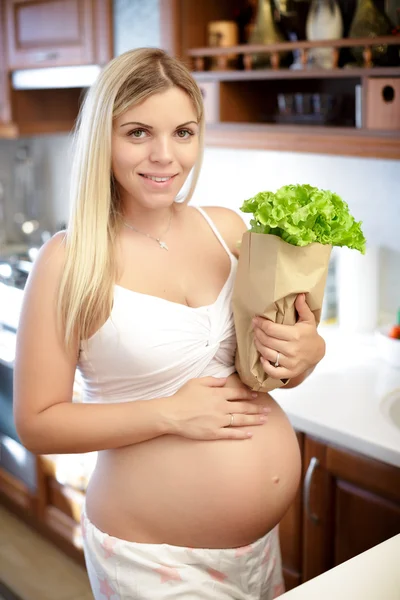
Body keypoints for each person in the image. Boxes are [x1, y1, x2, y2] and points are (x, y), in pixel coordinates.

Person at [14, 48, 326, 600]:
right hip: (154, 562)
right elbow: (38, 423)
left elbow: (270, 366)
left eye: (183, 132)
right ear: (102, 139)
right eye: (138, 133)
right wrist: (170, 415)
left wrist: (305, 353)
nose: (165, 156)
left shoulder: (227, 229)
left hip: (259, 550)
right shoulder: (70, 259)